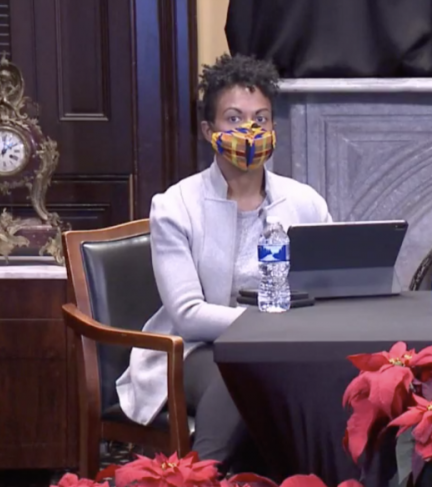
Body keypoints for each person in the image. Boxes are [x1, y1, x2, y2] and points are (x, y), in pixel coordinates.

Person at [114, 54, 333, 471]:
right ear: (208, 130)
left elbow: (333, 286)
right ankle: (202, 475)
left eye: (260, 119)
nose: (250, 131)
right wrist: (269, 323)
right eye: (234, 119)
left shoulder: (305, 202)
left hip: (287, 348)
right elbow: (188, 315)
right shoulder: (176, 206)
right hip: (193, 351)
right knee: (243, 371)